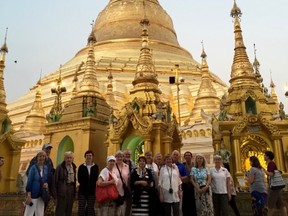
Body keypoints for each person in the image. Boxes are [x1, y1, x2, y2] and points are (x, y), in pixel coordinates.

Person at [24, 151, 49, 216]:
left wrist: (46, 184)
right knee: (29, 212)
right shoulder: (33, 168)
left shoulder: (46, 168)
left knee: (40, 212)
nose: (42, 158)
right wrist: (29, 194)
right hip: (33, 194)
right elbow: (29, 181)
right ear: (37, 158)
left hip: (41, 194)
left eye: (43, 156)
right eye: (40, 156)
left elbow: (45, 179)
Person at [263, 151, 287, 216]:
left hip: (274, 187)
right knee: (281, 204)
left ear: (268, 156)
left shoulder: (270, 163)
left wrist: (264, 170)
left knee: (270, 204)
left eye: (265, 155)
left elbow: (271, 174)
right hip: (276, 187)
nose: (263, 157)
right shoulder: (271, 163)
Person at [53, 151, 76, 216]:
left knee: (69, 210)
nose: (69, 159)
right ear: (64, 158)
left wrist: (74, 192)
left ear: (72, 159)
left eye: (70, 158)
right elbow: (55, 181)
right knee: (60, 210)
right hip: (62, 192)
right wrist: (54, 195)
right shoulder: (60, 167)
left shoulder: (74, 167)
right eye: (67, 158)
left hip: (71, 190)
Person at [77, 150, 99, 216]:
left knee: (90, 209)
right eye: (87, 156)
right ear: (85, 157)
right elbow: (79, 179)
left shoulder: (96, 167)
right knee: (81, 208)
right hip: (82, 191)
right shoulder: (81, 167)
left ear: (92, 157)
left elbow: (96, 178)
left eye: (90, 156)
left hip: (92, 191)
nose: (89, 157)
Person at [113, 151, 130, 216]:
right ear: (115, 157)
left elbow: (128, 178)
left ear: (123, 157)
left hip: (123, 191)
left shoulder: (127, 166)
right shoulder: (112, 165)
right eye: (117, 156)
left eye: (121, 156)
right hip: (114, 191)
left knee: (122, 211)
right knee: (115, 211)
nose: (119, 158)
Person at [171, 150, 187, 215]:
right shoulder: (167, 164)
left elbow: (186, 177)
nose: (175, 156)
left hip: (178, 189)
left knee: (179, 207)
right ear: (172, 156)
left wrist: (178, 178)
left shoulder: (182, 166)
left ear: (179, 156)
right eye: (174, 154)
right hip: (169, 189)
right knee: (170, 207)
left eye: (177, 155)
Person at [182, 151, 197, 216]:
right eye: (186, 155)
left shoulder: (195, 165)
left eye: (189, 155)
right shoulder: (182, 165)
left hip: (193, 186)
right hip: (185, 186)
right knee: (185, 203)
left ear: (191, 157)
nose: (187, 156)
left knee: (193, 202)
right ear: (184, 157)